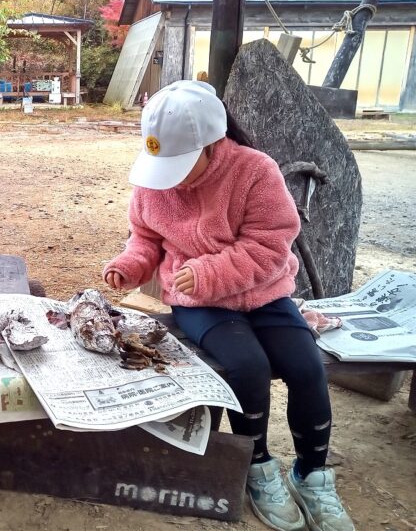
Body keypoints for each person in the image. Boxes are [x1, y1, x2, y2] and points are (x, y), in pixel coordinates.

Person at [103, 80, 354, 531]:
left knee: (307, 367)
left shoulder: (254, 172)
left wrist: (209, 272)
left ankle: (312, 473)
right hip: (199, 302)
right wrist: (129, 265)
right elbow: (145, 238)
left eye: (180, 163)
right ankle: (256, 464)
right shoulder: (153, 183)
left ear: (214, 143)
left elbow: (269, 246)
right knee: (247, 366)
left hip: (265, 294)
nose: (170, 176)